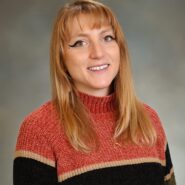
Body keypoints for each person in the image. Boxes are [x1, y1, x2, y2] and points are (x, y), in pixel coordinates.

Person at [13, 0, 176, 185]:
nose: (98, 53)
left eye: (107, 38)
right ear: (61, 58)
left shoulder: (149, 120)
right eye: (80, 42)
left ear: (119, 48)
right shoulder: (38, 130)